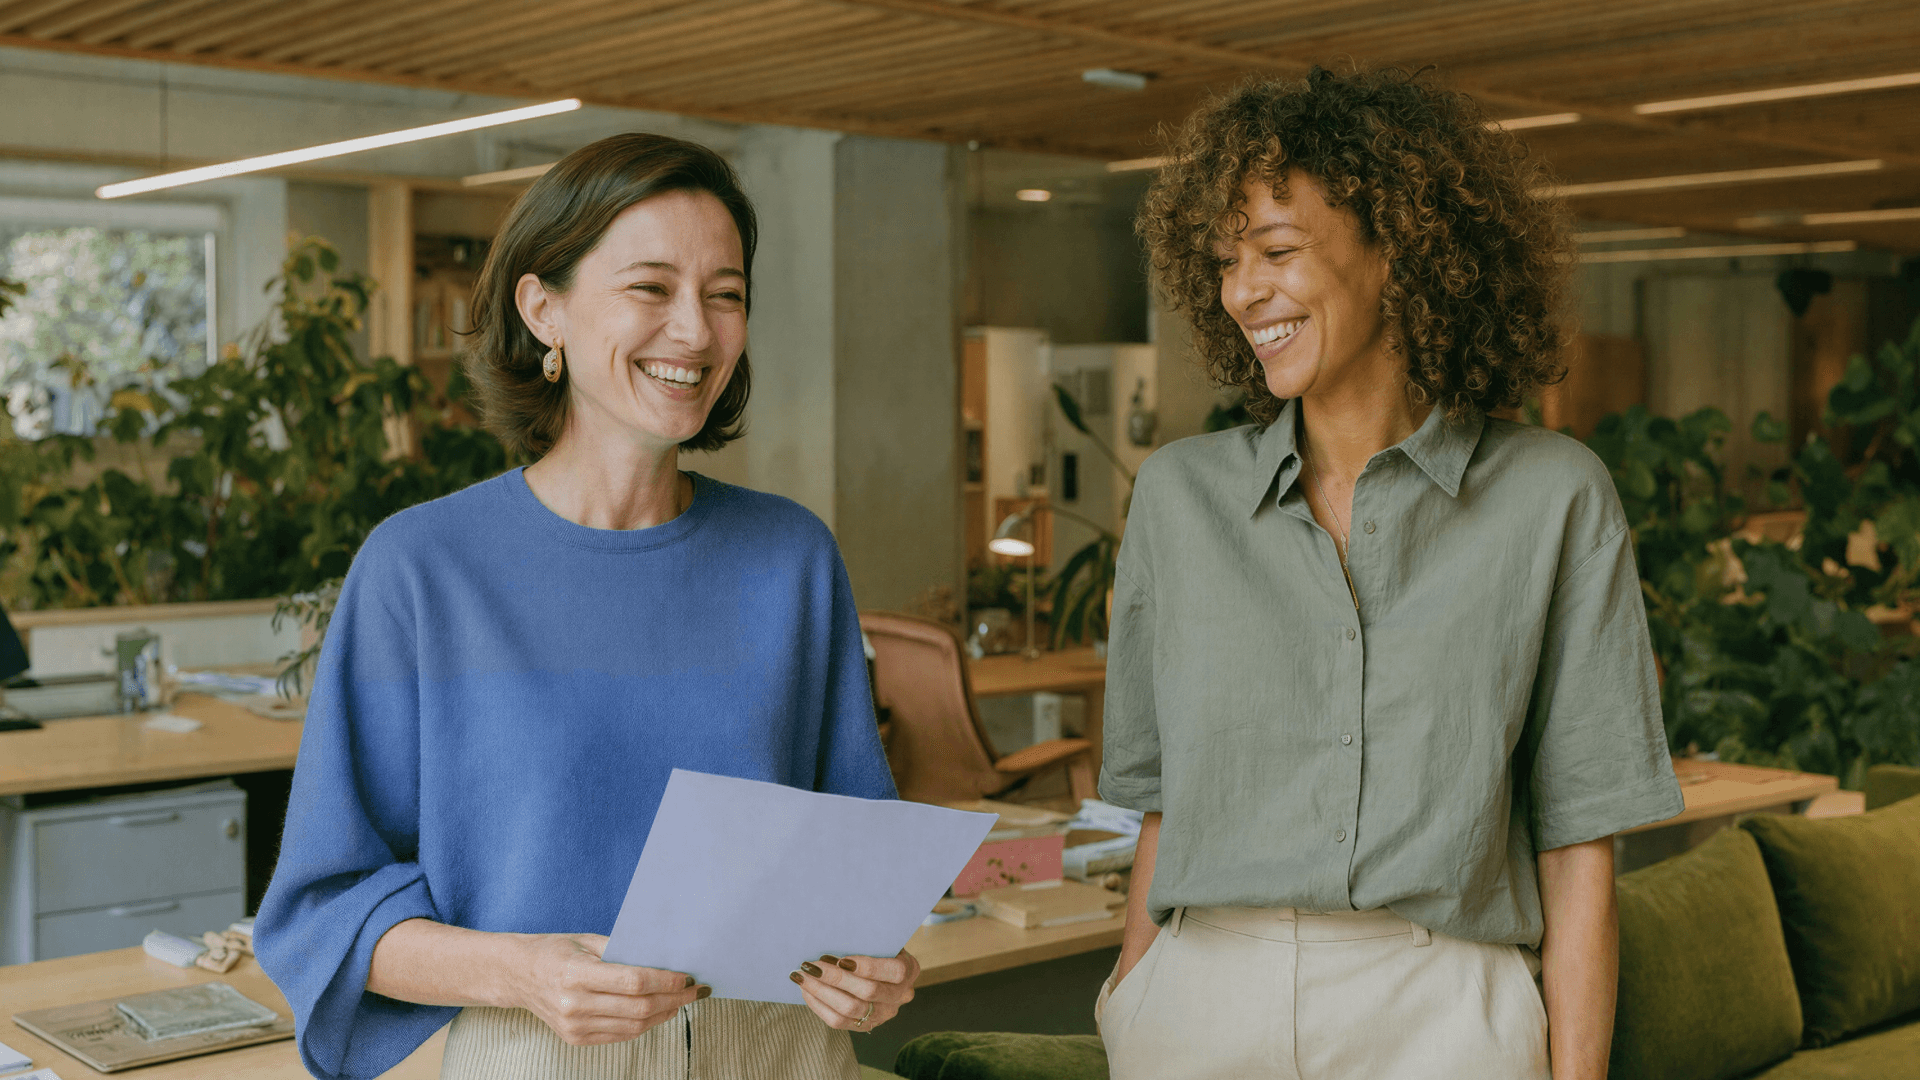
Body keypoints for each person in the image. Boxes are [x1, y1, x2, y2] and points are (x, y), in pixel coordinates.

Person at [255, 133, 918, 1080]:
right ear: (543, 309)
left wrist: (873, 970)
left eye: (725, 295)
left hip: (784, 1057)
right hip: (537, 1057)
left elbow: (857, 879)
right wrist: (520, 972)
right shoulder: (421, 568)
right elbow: (324, 917)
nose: (695, 330)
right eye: (651, 288)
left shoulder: (792, 555)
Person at [1098, 68, 1684, 1080]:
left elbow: (1580, 838)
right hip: (1199, 1002)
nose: (1243, 290)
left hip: (1444, 1012)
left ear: (1399, 250)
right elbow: (1161, 800)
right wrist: (1133, 993)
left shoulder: (1552, 497)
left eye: (1276, 251)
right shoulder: (1178, 498)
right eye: (1227, 261)